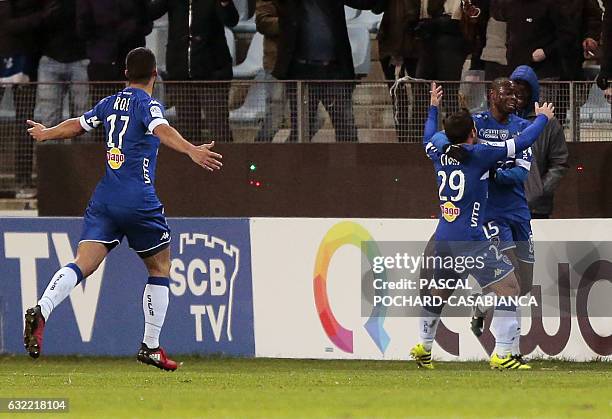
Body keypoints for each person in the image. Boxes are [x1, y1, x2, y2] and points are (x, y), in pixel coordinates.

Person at [22, 48, 223, 371]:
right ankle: (151, 346)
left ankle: (43, 308)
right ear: (155, 74)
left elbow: (78, 125)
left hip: (105, 199)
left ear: (125, 75)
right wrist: (191, 150)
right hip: (138, 199)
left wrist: (47, 134)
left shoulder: (110, 103)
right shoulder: (148, 104)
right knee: (159, 268)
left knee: (82, 263)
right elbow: (161, 129)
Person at [410, 81, 553, 370]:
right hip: (470, 238)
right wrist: (542, 118)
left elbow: (428, 136)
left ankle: (423, 347)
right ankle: (503, 354)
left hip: (443, 237)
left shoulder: (438, 153)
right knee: (511, 286)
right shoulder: (479, 156)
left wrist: (433, 108)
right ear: (473, 133)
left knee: (440, 290)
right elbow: (521, 143)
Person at [274, 0, 380, 142]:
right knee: (301, 131)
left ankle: (348, 164)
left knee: (346, 129)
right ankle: (296, 163)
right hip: (301, 72)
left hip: (333, 71)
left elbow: (366, 3)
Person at [147, 0, 239, 143]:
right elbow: (150, 12)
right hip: (180, 73)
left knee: (219, 129)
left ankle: (228, 164)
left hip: (212, 73)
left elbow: (231, 20)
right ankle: (188, 165)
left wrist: (225, 3)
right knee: (187, 132)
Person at [0, 0, 46, 199]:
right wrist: (41, 17)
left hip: (27, 63)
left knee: (25, 125)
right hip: (3, 58)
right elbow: (7, 23)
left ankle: (23, 181)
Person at [510, 65, 568, 219]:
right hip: (505, 206)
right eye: (515, 92)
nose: (518, 97)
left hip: (537, 209)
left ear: (533, 92)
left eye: (524, 92)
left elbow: (559, 163)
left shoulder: (549, 123)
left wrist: (539, 191)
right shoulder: (502, 120)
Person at [77, 0, 153, 104]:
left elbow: (146, 24)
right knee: (102, 110)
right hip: (102, 62)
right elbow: (83, 28)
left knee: (132, 108)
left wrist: (131, 29)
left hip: (130, 62)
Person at [36, 0, 89, 129]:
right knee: (49, 117)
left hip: (80, 58)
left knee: (83, 118)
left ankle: (82, 149)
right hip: (50, 58)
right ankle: (49, 149)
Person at [372, 0, 420, 142]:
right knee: (398, 97)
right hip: (393, 47)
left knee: (420, 96)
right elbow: (376, 7)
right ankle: (404, 139)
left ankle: (415, 139)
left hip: (414, 46)